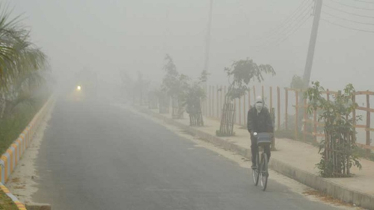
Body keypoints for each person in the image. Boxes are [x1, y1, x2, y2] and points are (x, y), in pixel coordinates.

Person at [247, 96, 274, 169]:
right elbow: (250, 123)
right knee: (254, 146)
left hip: (264, 133)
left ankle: (264, 165)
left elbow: (269, 122)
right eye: (257, 102)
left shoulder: (265, 111)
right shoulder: (251, 112)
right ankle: (254, 163)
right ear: (255, 103)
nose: (259, 104)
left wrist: (270, 132)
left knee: (267, 150)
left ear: (263, 103)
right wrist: (251, 131)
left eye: (260, 102)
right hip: (255, 133)